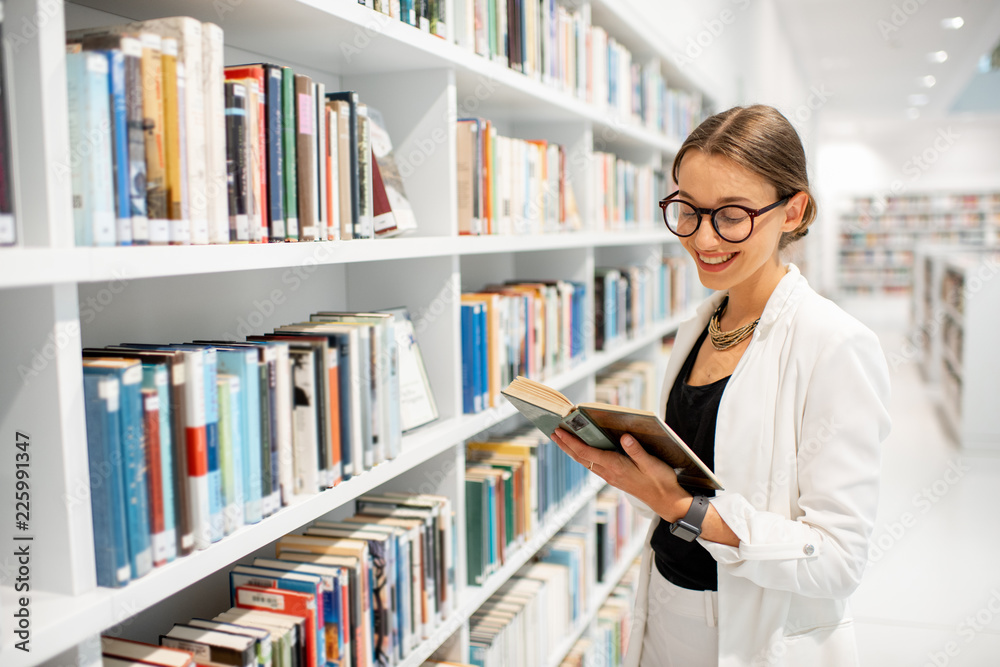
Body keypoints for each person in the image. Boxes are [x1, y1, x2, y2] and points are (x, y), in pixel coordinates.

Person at [551, 104, 892, 667]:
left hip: (753, 634)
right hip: (664, 606)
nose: (702, 238)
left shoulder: (834, 344)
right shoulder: (698, 327)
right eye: (687, 210)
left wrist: (684, 509)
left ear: (793, 210)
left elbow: (838, 558)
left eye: (730, 216)